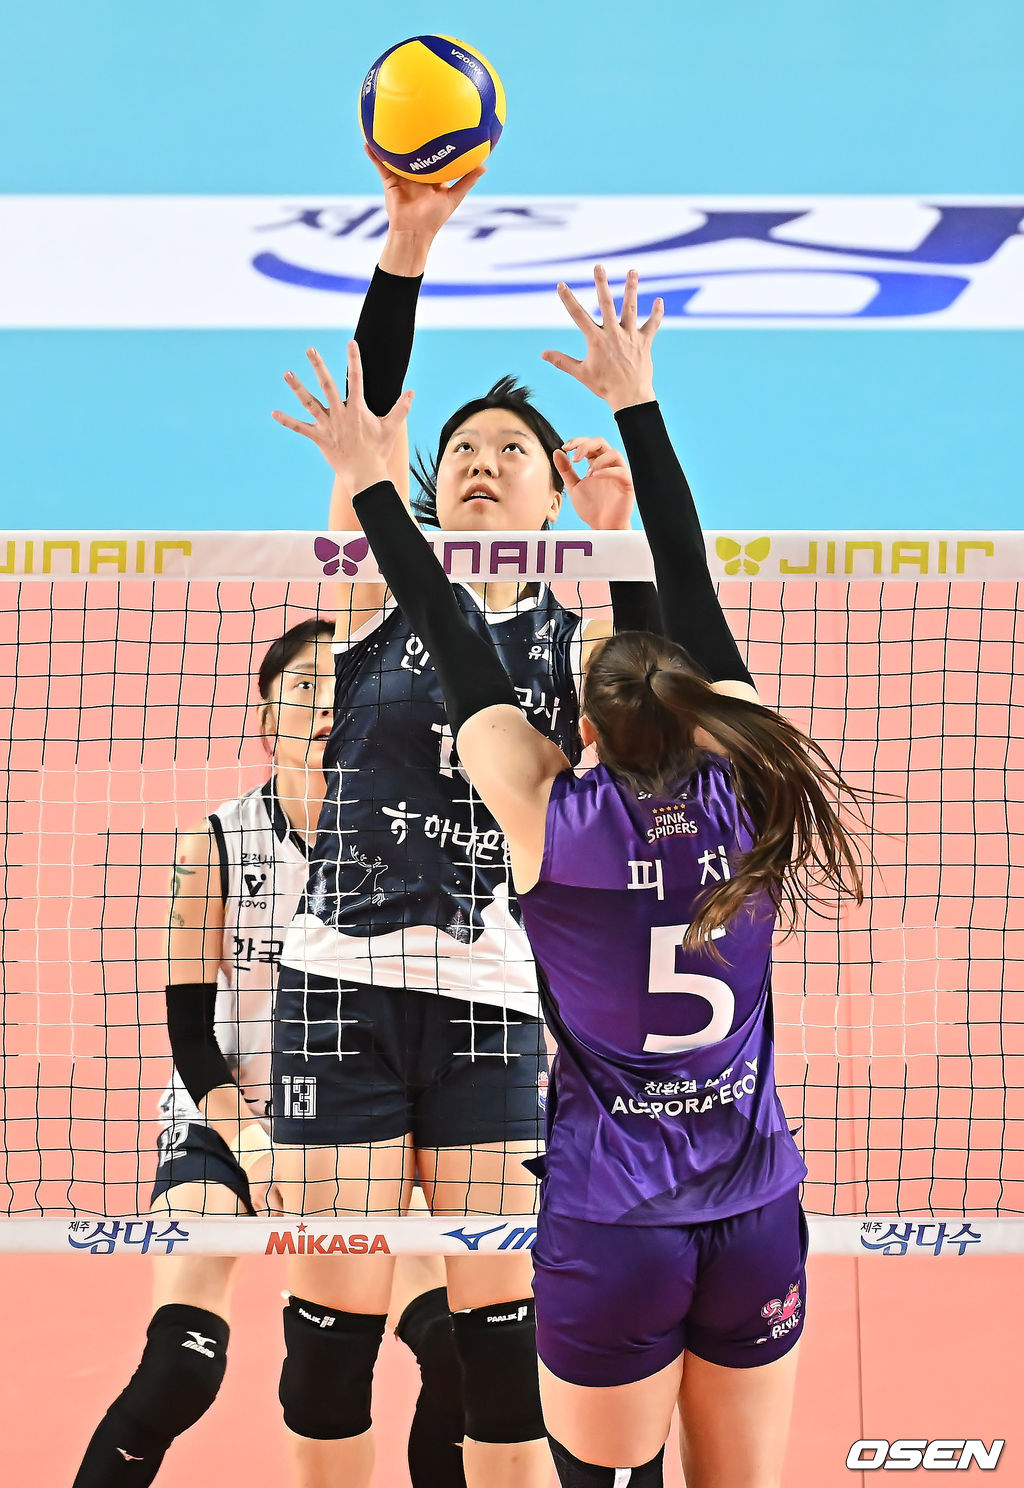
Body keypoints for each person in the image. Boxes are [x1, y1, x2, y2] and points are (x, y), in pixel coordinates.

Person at [325, 263, 867, 1488]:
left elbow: (451, 632)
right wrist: (635, 411)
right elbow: (688, 589)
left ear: (577, 727)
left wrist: (369, 482)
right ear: (703, 713)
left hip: (613, 1224)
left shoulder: (552, 825)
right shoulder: (756, 787)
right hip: (753, 1213)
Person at [268, 159, 658, 1488]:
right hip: (338, 991)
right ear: (434, 494)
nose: (483, 464)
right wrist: (407, 241)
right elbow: (374, 416)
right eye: (463, 456)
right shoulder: (377, 589)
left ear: (553, 496)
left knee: (502, 1344)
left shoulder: (579, 635)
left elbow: (648, 743)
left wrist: (617, 545)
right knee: (329, 1343)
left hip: (494, 998)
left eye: (513, 453)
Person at [72, 620, 466, 1488]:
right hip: (228, 1120)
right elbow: (188, 1032)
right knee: (179, 1366)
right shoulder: (211, 847)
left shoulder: (420, 848)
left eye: (346, 687)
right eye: (304, 687)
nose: (326, 704)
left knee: (459, 1355)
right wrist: (251, 1142)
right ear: (265, 720)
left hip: (364, 1132)